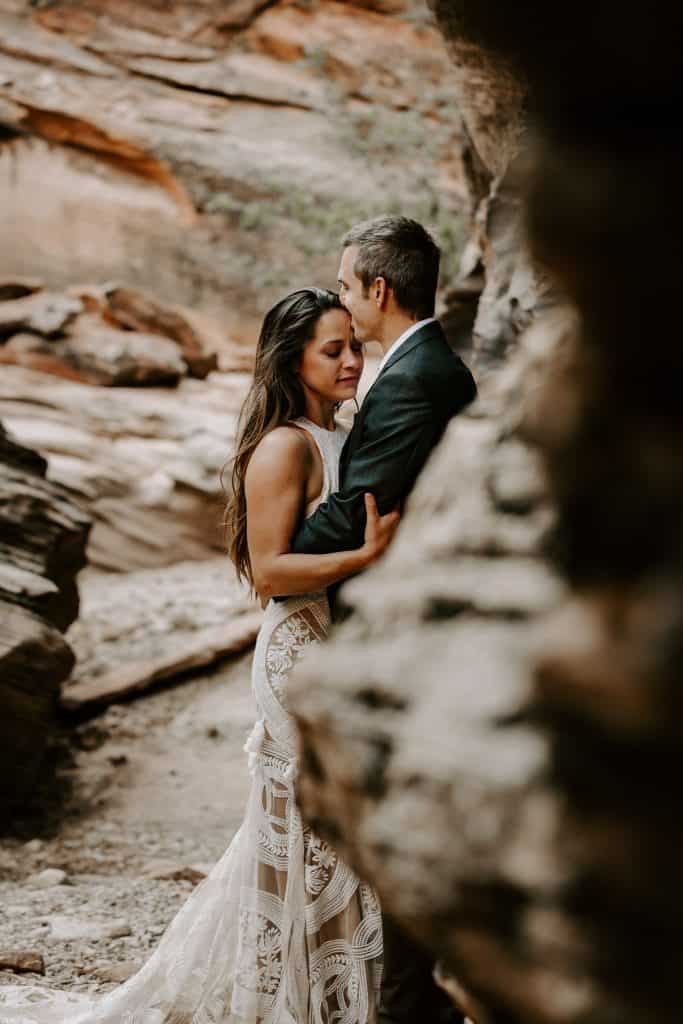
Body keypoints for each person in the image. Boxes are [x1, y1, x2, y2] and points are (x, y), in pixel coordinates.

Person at [0, 288, 398, 1024]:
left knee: (317, 842)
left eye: (354, 344)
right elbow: (270, 572)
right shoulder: (286, 444)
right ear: (292, 360)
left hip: (336, 652)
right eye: (331, 349)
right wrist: (366, 554)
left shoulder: (339, 432)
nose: (351, 360)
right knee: (316, 838)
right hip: (299, 654)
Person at [287, 218, 477, 1024]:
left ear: (378, 289)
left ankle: (407, 1006)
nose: (340, 300)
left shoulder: (415, 378)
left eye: (343, 285)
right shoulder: (415, 369)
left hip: (412, 640)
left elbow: (360, 506)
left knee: (403, 835)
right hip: (411, 626)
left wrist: (274, 551)